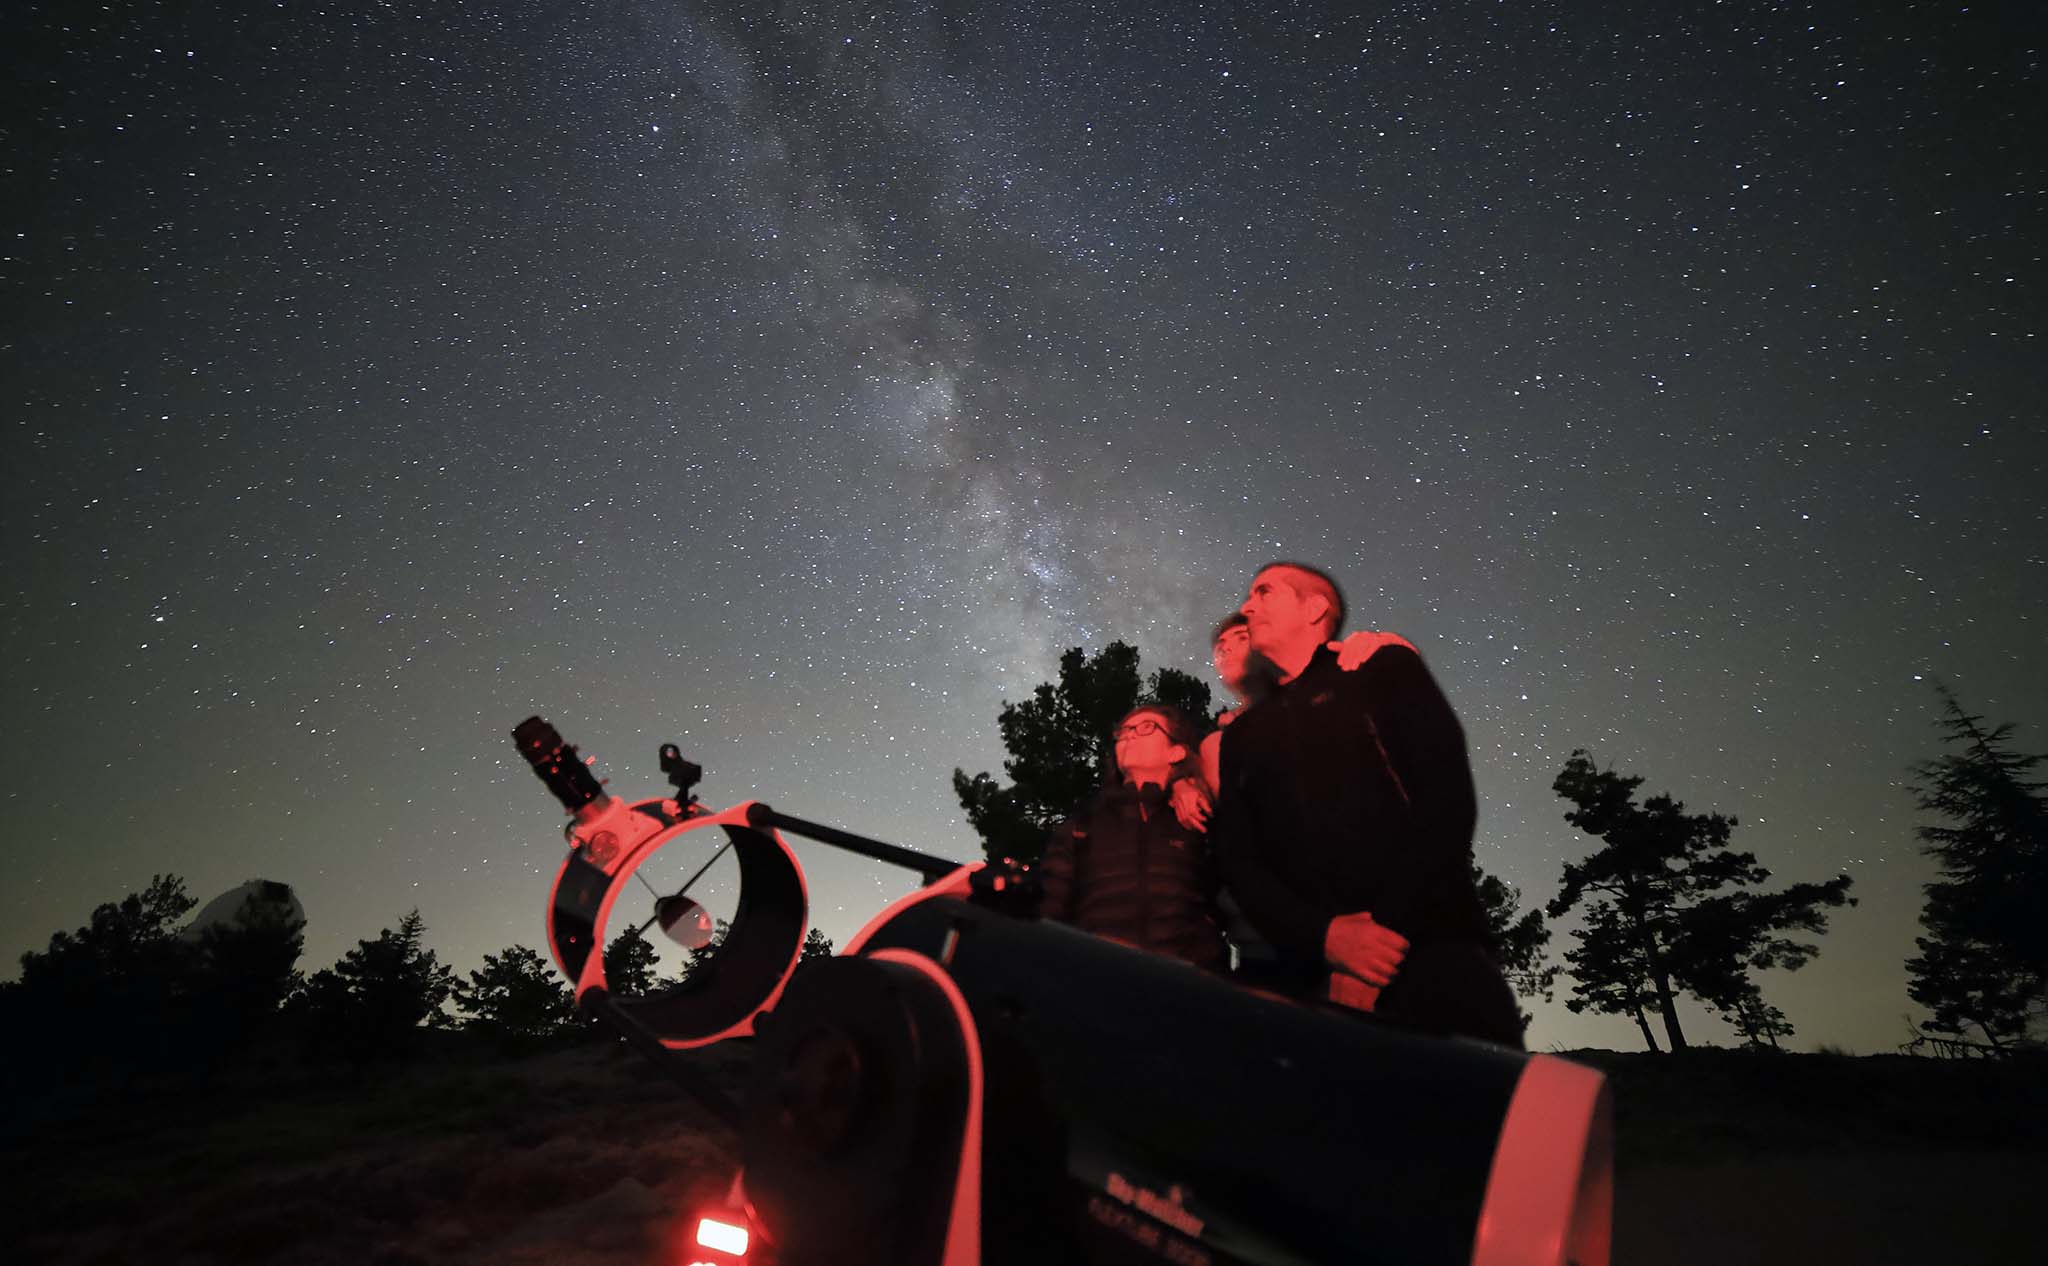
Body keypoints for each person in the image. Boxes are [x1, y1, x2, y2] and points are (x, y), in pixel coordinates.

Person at [1208, 562, 1523, 1045]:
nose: (1247, 606)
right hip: (1307, 978)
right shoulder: (1242, 737)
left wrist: (1379, 940)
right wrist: (1324, 939)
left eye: (1264, 592)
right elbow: (1240, 857)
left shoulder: (1381, 668)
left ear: (1315, 609)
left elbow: (1445, 802)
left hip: (1433, 955)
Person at [1037, 705, 1229, 971]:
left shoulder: (1199, 815)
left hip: (1189, 985)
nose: (1129, 736)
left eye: (1146, 727)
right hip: (1099, 976)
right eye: (1123, 732)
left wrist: (1186, 782)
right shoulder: (1083, 824)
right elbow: (1050, 908)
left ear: (1177, 751)